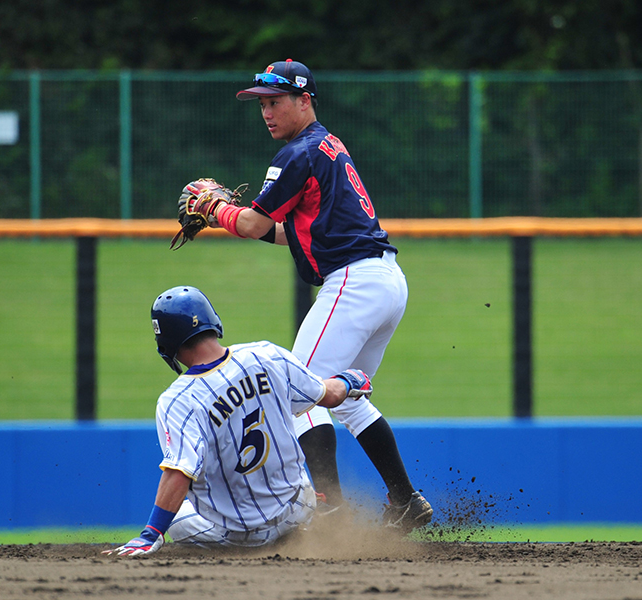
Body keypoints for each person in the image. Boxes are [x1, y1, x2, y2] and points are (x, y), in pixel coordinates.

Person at [179, 59, 433, 531]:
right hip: (384, 282)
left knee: (299, 394)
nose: (267, 112)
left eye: (276, 101)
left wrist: (217, 208)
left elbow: (254, 223)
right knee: (348, 398)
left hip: (353, 284)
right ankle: (405, 500)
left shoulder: (298, 153)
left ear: (304, 100)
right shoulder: (327, 146)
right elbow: (289, 233)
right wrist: (229, 214)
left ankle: (330, 509)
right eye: (262, 104)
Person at [104, 285, 374, 556]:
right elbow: (326, 394)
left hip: (242, 535)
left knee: (177, 519)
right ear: (212, 320)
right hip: (295, 511)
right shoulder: (267, 355)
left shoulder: (177, 400)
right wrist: (348, 380)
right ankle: (315, 514)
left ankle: (268, 534)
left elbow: (179, 472)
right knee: (303, 422)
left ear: (167, 343)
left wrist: (151, 532)